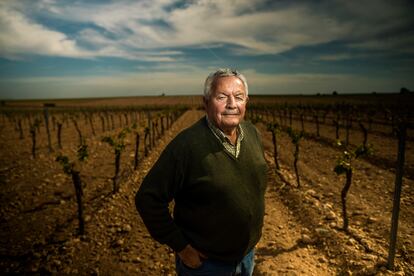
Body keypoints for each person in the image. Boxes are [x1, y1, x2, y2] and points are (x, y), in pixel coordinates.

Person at [135, 68, 267, 276]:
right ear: (205, 102)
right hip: (207, 265)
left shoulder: (252, 133)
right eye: (222, 97)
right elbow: (147, 198)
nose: (232, 104)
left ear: (246, 102)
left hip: (246, 256)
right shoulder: (186, 146)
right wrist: (182, 248)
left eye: (238, 97)